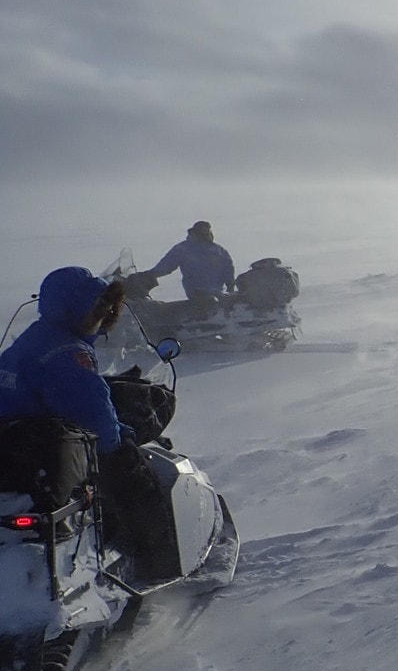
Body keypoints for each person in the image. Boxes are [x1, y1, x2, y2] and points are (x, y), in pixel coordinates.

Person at [0, 267, 179, 578]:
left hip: (17, 446)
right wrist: (125, 435)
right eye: (99, 304)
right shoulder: (69, 355)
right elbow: (96, 420)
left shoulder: (34, 338)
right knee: (131, 470)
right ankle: (159, 561)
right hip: (45, 451)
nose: (107, 310)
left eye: (108, 304)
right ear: (74, 307)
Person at [146, 220, 235, 300]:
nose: (206, 234)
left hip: (217, 293)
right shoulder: (184, 249)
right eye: (203, 232)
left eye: (208, 232)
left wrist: (230, 285)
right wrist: (149, 274)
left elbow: (228, 269)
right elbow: (166, 265)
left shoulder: (218, 250)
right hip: (196, 293)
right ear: (195, 233)